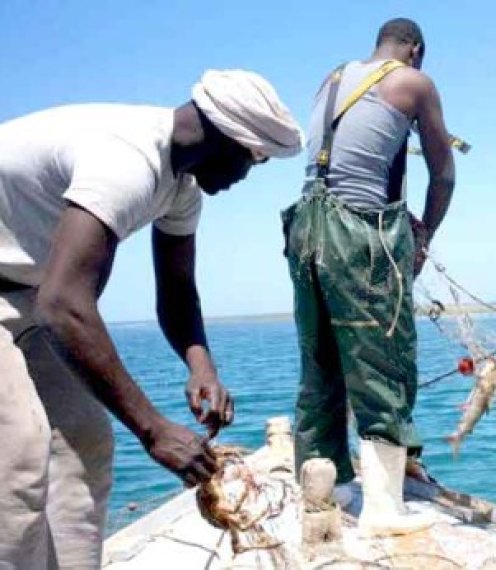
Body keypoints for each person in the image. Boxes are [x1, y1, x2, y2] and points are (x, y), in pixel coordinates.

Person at [0, 69, 303, 569]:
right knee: (18, 457)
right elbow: (65, 303)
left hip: (31, 295)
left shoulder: (180, 187)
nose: (244, 178)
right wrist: (153, 429)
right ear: (229, 140)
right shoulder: (126, 161)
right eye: (252, 162)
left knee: (85, 439)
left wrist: (200, 365)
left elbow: (178, 292)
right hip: (36, 298)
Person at [282, 18, 455, 536]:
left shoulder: (332, 78)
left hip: (305, 229)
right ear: (415, 50)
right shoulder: (413, 82)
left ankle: (326, 489)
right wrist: (424, 236)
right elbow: (444, 173)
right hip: (357, 231)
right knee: (384, 357)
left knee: (321, 360)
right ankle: (383, 509)